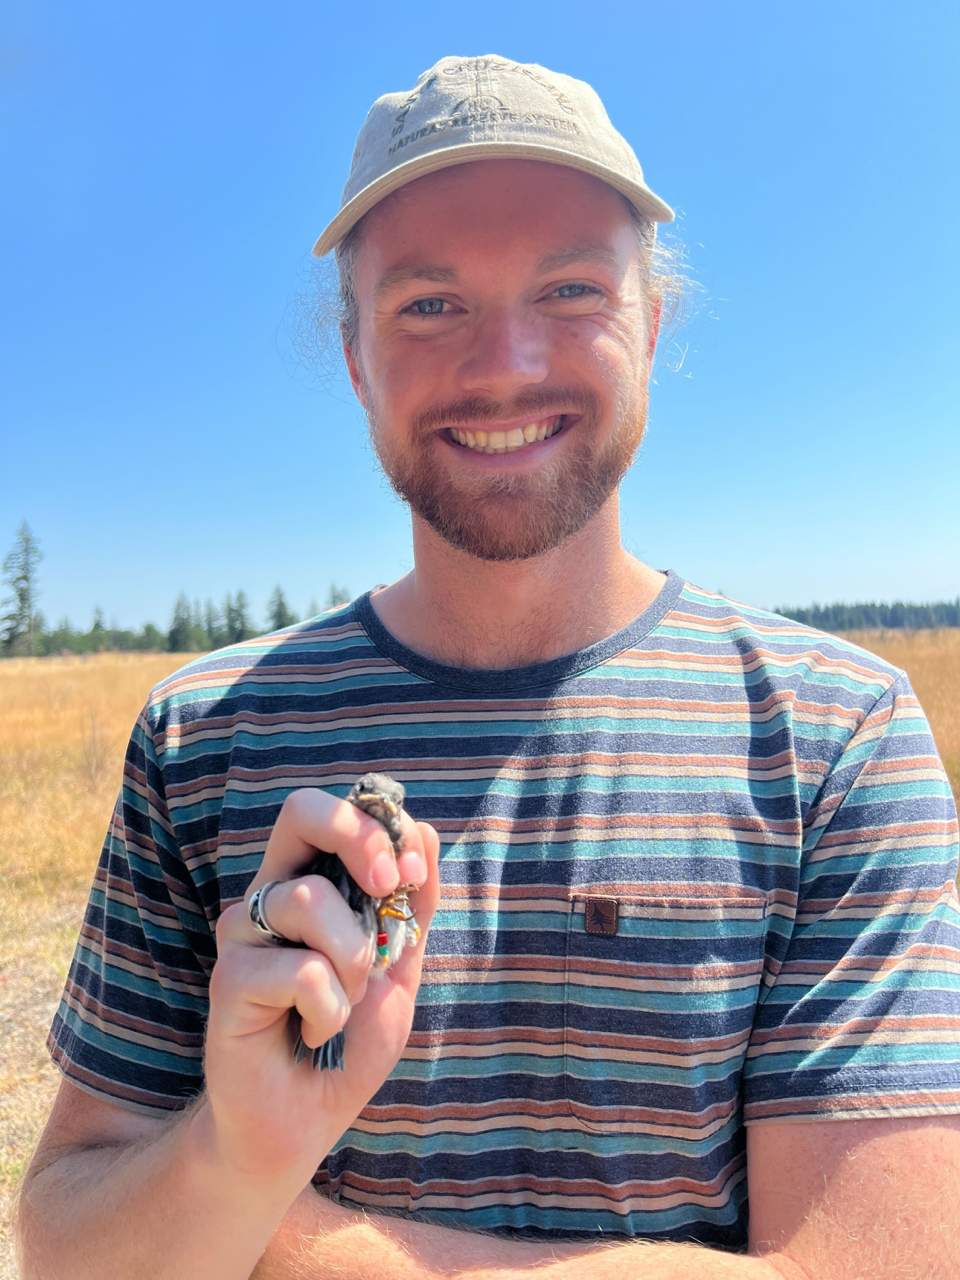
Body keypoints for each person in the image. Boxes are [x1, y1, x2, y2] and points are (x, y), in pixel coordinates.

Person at [17, 55, 960, 1280]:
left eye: (570, 288)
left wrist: (273, 1236)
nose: (507, 364)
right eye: (429, 304)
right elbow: (69, 1243)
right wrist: (242, 1147)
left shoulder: (837, 735)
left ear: (653, 324)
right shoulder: (205, 736)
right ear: (353, 354)